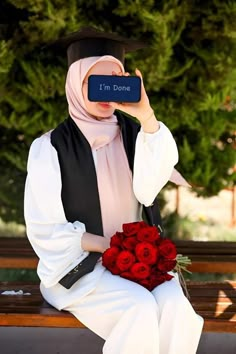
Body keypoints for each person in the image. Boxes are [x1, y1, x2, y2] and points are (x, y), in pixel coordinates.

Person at [24, 27, 203, 354]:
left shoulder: (137, 136)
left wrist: (146, 117)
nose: (107, 93)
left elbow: (148, 190)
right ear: (76, 86)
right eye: (96, 83)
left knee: (177, 310)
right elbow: (44, 227)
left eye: (116, 81)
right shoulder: (49, 147)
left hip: (135, 260)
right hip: (78, 268)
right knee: (138, 308)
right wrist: (110, 246)